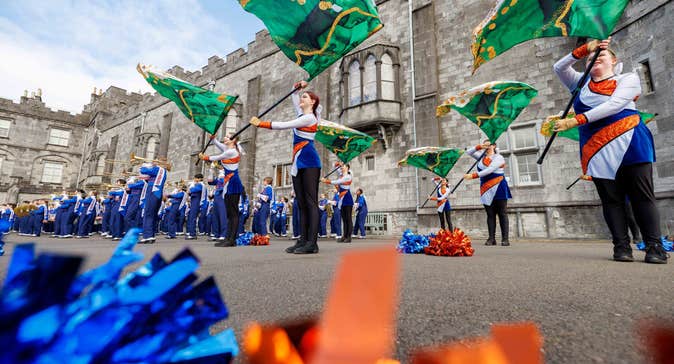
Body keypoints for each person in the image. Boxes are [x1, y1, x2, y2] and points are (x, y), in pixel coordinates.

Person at [550, 37, 667, 263]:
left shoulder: (628, 79)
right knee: (611, 199)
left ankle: (654, 246)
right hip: (597, 148)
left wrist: (577, 120)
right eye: (591, 59)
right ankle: (621, 246)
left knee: (642, 196)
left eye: (601, 56)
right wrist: (585, 49)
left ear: (614, 61)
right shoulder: (579, 84)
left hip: (631, 140)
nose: (595, 60)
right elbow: (558, 67)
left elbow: (614, 105)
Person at [250, 80, 322, 254]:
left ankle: (312, 243)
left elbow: (284, 125)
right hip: (298, 161)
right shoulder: (301, 113)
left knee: (311, 202)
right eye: (302, 97)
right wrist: (298, 86)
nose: (301, 99)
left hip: (310, 161)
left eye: (305, 97)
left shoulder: (310, 117)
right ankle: (302, 239)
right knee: (302, 203)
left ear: (312, 102)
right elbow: (293, 94)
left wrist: (262, 123)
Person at [200, 133, 245, 247]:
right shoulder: (228, 148)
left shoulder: (232, 151)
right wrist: (213, 138)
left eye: (227, 136)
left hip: (233, 182)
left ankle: (232, 239)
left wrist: (205, 157)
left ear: (233, 140)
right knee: (229, 213)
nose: (225, 137)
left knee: (233, 213)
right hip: (228, 182)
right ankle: (227, 237)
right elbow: (218, 145)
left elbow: (217, 158)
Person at [464, 140, 511, 246]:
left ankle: (505, 239)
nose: (486, 145)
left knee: (502, 213)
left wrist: (473, 176)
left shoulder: (499, 157)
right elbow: (469, 152)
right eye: (485, 143)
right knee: (490, 214)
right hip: (485, 188)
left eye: (489, 143)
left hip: (499, 186)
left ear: (494, 146)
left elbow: (490, 169)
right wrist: (479, 146)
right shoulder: (481, 157)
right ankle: (491, 238)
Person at [322, 163, 353, 243]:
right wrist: (338, 163)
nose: (342, 168)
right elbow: (335, 166)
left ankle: (348, 237)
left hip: (347, 198)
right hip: (342, 199)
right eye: (342, 167)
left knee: (348, 219)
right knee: (344, 219)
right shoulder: (342, 174)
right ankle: (344, 236)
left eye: (343, 166)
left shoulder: (348, 176)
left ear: (348, 168)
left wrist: (326, 181)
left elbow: (337, 181)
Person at [139, 161, 167, 244]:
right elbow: (147, 179)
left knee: (148, 214)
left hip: (153, 192)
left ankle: (147, 236)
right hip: (157, 193)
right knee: (151, 215)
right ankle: (150, 235)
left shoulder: (158, 169)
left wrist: (144, 165)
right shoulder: (161, 172)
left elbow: (143, 170)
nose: (153, 162)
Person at [187, 174, 207, 239]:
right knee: (192, 218)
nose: (194, 180)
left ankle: (192, 234)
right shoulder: (200, 185)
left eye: (195, 178)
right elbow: (190, 193)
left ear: (199, 179)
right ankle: (191, 233)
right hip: (195, 202)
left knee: (192, 218)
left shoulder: (200, 185)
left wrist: (191, 185)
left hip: (196, 202)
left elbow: (191, 190)